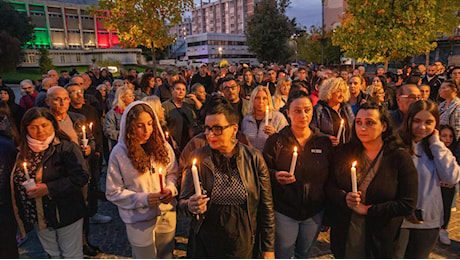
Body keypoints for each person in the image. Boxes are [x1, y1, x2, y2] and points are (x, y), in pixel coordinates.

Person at [178, 103, 275, 258]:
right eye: (207, 128)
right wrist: (190, 205)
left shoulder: (253, 158)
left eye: (217, 129)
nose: (210, 135)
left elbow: (266, 207)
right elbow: (182, 202)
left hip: (242, 239)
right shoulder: (198, 157)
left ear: (234, 129)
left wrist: (268, 248)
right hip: (207, 238)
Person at [326, 102, 418, 258]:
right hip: (347, 232)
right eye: (358, 122)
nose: (362, 128)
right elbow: (330, 186)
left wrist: (368, 209)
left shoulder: (398, 157)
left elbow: (407, 203)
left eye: (370, 123)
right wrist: (344, 197)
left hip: (380, 236)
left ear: (383, 126)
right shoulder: (344, 152)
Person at [263, 90, 333, 258]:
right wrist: (275, 176)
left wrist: (328, 214)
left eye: (307, 110)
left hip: (314, 212)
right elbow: (263, 172)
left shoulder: (323, 142)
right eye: (297, 111)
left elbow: (331, 178)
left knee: (304, 253)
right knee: (284, 253)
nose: (303, 115)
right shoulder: (276, 141)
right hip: (284, 210)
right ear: (288, 112)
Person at [11, 107, 89, 258]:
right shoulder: (22, 150)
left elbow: (81, 176)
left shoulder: (65, 147)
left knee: (71, 254)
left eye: (44, 125)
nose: (40, 131)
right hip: (38, 215)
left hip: (65, 212)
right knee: (52, 254)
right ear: (26, 129)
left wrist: (49, 188)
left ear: (53, 124)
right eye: (33, 127)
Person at [106, 101, 178, 258]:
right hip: (138, 219)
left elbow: (172, 173)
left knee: (165, 254)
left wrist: (170, 189)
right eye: (140, 126)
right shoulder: (120, 154)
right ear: (130, 126)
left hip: (166, 213)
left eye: (150, 124)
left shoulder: (163, 147)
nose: (147, 130)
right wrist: (143, 199)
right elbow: (113, 191)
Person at [397, 100, 460, 258]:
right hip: (399, 219)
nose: (422, 127)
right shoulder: (396, 144)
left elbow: (451, 177)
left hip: (427, 220)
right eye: (417, 121)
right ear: (409, 119)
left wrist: (435, 143)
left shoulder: (436, 148)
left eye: (429, 122)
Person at [241, 86, 288, 151]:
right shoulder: (246, 120)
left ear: (268, 100)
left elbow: (286, 141)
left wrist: (275, 135)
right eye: (257, 98)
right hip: (251, 159)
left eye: (264, 98)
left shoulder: (278, 118)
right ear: (252, 100)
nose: (261, 101)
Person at [311, 77, 354, 146]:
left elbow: (353, 126)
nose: (342, 95)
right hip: (327, 150)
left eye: (343, 91)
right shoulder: (319, 109)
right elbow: (312, 130)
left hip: (346, 150)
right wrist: (326, 138)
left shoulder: (346, 108)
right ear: (329, 91)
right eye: (338, 91)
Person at [438, 125, 459, 245]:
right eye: (444, 136)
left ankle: (443, 229)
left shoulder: (454, 152)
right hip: (437, 186)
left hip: (449, 187)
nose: (448, 139)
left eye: (450, 136)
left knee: (446, 207)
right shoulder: (433, 151)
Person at [162, 79, 197, 151]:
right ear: (172, 90)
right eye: (178, 89)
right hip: (173, 143)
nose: (181, 92)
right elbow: (163, 125)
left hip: (188, 142)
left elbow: (195, 120)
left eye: (183, 90)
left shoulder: (189, 104)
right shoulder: (165, 106)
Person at [104, 86, 135, 152]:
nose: (133, 98)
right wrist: (123, 135)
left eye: (133, 95)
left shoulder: (134, 112)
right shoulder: (112, 113)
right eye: (130, 96)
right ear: (122, 98)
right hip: (118, 147)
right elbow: (108, 130)